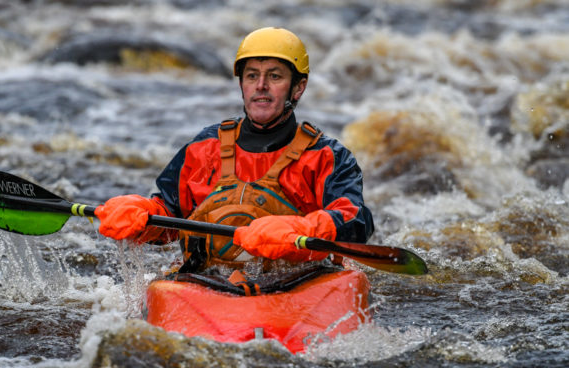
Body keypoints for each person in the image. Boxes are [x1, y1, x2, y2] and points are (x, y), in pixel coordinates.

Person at [95, 27, 374, 271]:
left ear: (298, 88)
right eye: (252, 76)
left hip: (299, 282)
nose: (261, 86)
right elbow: (169, 216)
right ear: (242, 84)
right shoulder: (205, 147)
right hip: (209, 279)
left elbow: (356, 220)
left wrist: (302, 229)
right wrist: (142, 212)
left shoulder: (327, 156)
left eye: (274, 77)